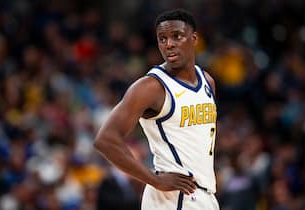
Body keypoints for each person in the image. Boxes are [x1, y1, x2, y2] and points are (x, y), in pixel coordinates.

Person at [94, 9, 220, 210]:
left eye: (176, 36)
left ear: (194, 38)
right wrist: (154, 179)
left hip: (203, 196)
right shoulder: (151, 87)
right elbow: (105, 140)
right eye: (162, 39)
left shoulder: (207, 81)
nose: (168, 44)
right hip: (174, 198)